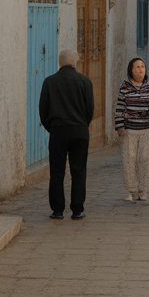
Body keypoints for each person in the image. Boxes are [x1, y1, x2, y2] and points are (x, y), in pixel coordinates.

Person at [39, 49, 94, 220]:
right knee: (78, 170)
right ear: (75, 61)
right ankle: (77, 209)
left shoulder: (49, 82)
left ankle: (57, 210)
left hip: (58, 131)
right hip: (79, 131)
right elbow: (89, 110)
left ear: (60, 62)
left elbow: (43, 110)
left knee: (57, 171)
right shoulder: (85, 82)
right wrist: (82, 125)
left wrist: (52, 127)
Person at [114, 56, 149, 202]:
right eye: (137, 67)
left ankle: (143, 190)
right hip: (129, 130)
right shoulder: (125, 86)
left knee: (145, 160)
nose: (141, 69)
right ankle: (130, 191)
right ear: (131, 70)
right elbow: (120, 107)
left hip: (147, 129)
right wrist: (120, 126)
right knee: (129, 160)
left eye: (143, 67)